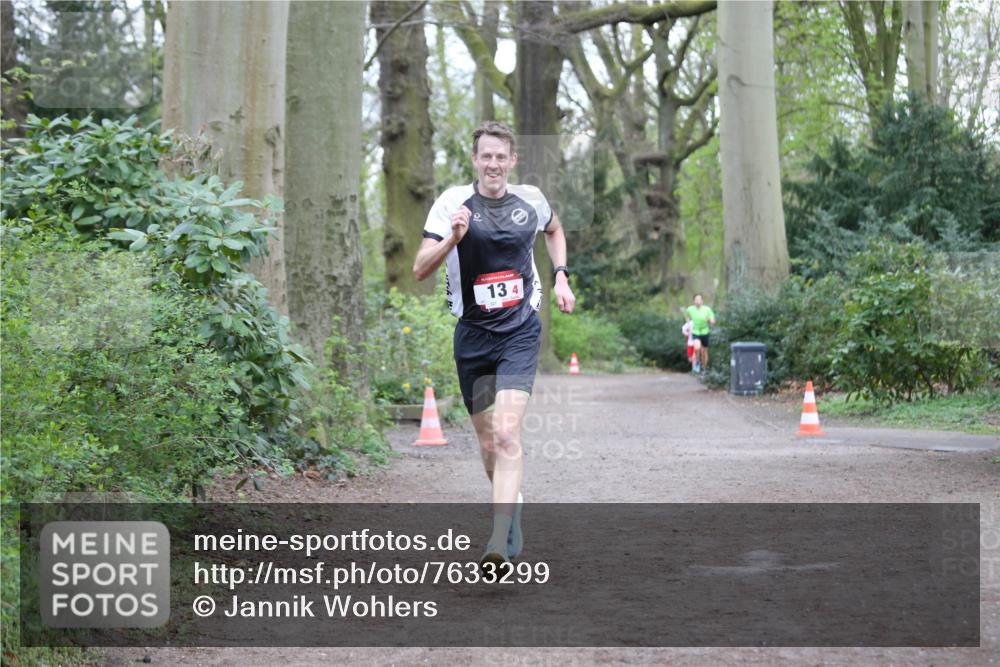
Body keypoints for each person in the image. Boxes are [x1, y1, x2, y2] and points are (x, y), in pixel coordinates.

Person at [412, 121, 576, 572]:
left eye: (501, 156)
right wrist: (453, 238)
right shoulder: (451, 204)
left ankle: (498, 540)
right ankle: (513, 510)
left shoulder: (532, 200)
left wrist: (561, 275)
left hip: (520, 333)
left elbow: (555, 230)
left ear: (512, 160)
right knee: (487, 442)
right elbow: (419, 269)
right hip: (473, 337)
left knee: (506, 433)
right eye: (486, 155)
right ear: (474, 159)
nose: (493, 164)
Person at [685, 294, 715, 373]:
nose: (698, 301)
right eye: (696, 300)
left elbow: (712, 321)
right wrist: (688, 324)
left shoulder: (707, 309)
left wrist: (710, 320)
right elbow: (687, 316)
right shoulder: (690, 309)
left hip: (705, 332)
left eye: (699, 300)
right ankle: (697, 362)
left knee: (704, 352)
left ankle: (704, 368)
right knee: (697, 348)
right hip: (696, 331)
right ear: (693, 301)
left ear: (702, 301)